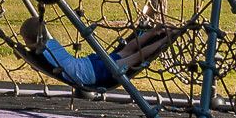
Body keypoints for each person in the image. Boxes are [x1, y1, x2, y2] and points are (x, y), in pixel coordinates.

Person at [19, 17, 178, 88]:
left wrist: (20, 50)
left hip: (90, 73)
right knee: (127, 50)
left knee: (135, 57)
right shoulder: (51, 42)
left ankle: (164, 39)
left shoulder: (40, 50)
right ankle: (154, 32)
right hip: (87, 63)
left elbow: (33, 51)